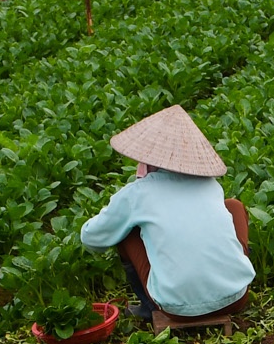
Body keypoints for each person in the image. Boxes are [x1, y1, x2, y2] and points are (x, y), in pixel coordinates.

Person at [79, 104, 254, 326]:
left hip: (178, 310)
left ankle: (148, 307)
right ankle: (228, 271)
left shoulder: (138, 194)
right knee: (234, 207)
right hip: (237, 297)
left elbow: (91, 238)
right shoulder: (210, 185)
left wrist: (126, 221)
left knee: (124, 233)